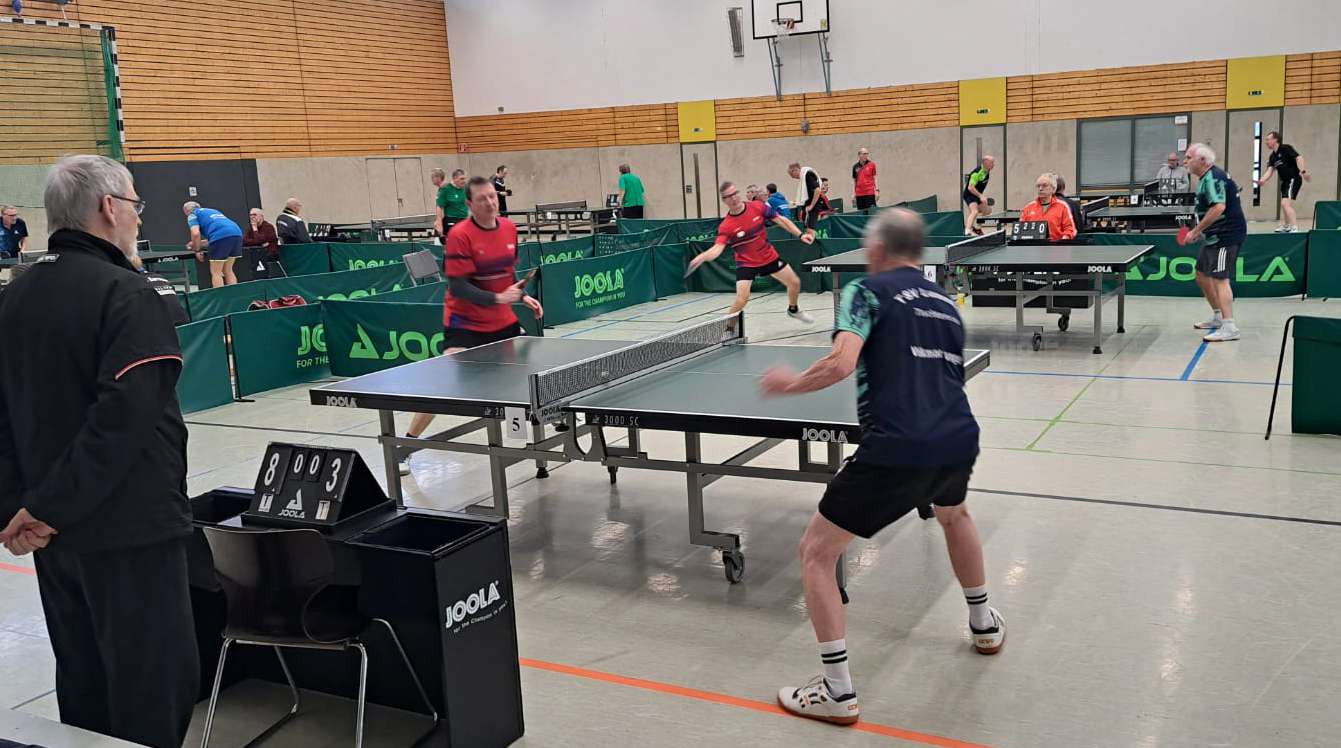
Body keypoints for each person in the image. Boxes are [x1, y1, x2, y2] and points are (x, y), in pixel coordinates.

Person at [760, 208, 1003, 726]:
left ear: (875, 249)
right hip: (957, 436)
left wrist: (789, 385)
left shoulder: (865, 292)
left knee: (816, 553)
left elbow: (840, 362)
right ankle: (984, 624)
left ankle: (837, 691)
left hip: (897, 445)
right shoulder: (945, 302)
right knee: (954, 515)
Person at [0, 154, 199, 748]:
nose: (139, 217)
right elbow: (122, 424)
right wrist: (48, 507)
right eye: (136, 204)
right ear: (109, 207)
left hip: (50, 538)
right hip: (129, 533)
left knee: (83, 680)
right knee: (153, 685)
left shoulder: (13, 296)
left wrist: (20, 508)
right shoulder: (130, 295)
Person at [401, 176, 543, 472]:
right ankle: (406, 445)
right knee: (444, 385)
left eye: (492, 196)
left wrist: (522, 296)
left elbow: (507, 273)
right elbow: (458, 285)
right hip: (464, 323)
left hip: (502, 320)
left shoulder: (509, 228)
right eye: (482, 199)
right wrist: (499, 298)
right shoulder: (460, 235)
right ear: (469, 204)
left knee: (531, 374)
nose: (490, 202)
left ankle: (540, 431)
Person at [686, 181, 815, 327]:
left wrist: (800, 235)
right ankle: (728, 329)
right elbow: (717, 248)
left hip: (768, 257)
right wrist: (701, 257)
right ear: (724, 200)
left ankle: (793, 309)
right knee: (742, 299)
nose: (733, 198)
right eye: (729, 196)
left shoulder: (757, 207)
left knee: (794, 283)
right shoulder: (726, 226)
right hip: (746, 263)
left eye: (735, 193)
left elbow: (780, 220)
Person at [1184, 143, 1246, 343]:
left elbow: (1219, 207)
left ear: (1202, 160)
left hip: (1225, 236)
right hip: (1213, 235)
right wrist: (1202, 231)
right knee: (1201, 274)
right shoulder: (1207, 177)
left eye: (1188, 157)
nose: (1185, 161)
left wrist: (1196, 230)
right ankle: (1218, 317)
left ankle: (1230, 327)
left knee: (1220, 279)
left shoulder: (1213, 177)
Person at [1256, 131, 1310, 233]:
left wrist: (1302, 171)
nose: (1266, 142)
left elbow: (1299, 158)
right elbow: (1270, 170)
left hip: (1293, 179)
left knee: (1285, 204)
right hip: (1285, 182)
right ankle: (1287, 226)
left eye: (1268, 139)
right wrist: (1262, 180)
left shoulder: (1286, 148)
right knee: (1284, 205)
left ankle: (1294, 227)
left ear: (1275, 140)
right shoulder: (1272, 157)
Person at [184, 201, 243, 288]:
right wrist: (199, 243)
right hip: (237, 234)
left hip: (221, 236)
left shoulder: (192, 215)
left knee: (216, 273)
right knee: (228, 270)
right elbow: (217, 238)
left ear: (186, 211)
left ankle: (220, 296)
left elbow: (195, 234)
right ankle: (234, 294)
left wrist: (197, 250)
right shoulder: (212, 211)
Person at [1019, 173, 1077, 240]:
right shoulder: (1028, 208)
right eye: (1038, 186)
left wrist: (1064, 239)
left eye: (1044, 185)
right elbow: (1020, 231)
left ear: (1053, 189)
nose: (1040, 188)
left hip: (1055, 245)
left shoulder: (1063, 206)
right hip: (1033, 245)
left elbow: (1070, 229)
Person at [962, 155, 996, 235]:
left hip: (976, 195)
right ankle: (967, 231)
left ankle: (976, 228)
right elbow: (970, 187)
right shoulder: (976, 173)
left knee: (987, 210)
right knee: (974, 211)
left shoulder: (987, 170)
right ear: (986, 163)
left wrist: (980, 196)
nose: (994, 164)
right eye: (992, 162)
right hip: (969, 194)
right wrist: (981, 196)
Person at [788, 162, 822, 235]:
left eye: (792, 175)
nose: (793, 177)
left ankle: (812, 241)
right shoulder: (804, 176)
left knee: (810, 230)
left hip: (812, 207)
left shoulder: (807, 174)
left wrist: (811, 205)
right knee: (807, 230)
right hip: (807, 207)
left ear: (795, 170)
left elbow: (817, 190)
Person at [435, 168, 469, 238]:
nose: (464, 181)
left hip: (464, 220)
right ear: (454, 178)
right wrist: (439, 223)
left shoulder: (466, 188)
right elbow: (439, 206)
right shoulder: (446, 188)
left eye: (465, 179)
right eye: (461, 179)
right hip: (451, 219)